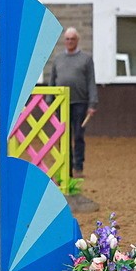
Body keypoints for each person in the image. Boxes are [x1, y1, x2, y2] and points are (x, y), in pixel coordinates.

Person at [49, 27, 97, 177]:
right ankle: (65, 167)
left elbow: (91, 82)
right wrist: (49, 101)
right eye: (67, 39)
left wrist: (92, 103)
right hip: (61, 104)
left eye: (72, 39)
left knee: (78, 135)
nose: (69, 42)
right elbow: (52, 80)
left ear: (77, 40)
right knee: (64, 137)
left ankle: (78, 166)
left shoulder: (86, 59)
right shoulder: (57, 59)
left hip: (80, 103)